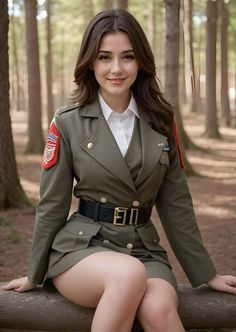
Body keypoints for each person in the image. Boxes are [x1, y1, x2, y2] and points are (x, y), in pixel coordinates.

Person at [2, 8, 236, 332]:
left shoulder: (161, 122)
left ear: (140, 62)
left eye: (127, 57)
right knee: (127, 275)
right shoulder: (67, 122)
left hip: (143, 249)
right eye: (104, 57)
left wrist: (206, 273)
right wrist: (33, 273)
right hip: (82, 249)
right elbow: (52, 203)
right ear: (91, 62)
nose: (116, 68)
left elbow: (177, 204)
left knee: (159, 311)